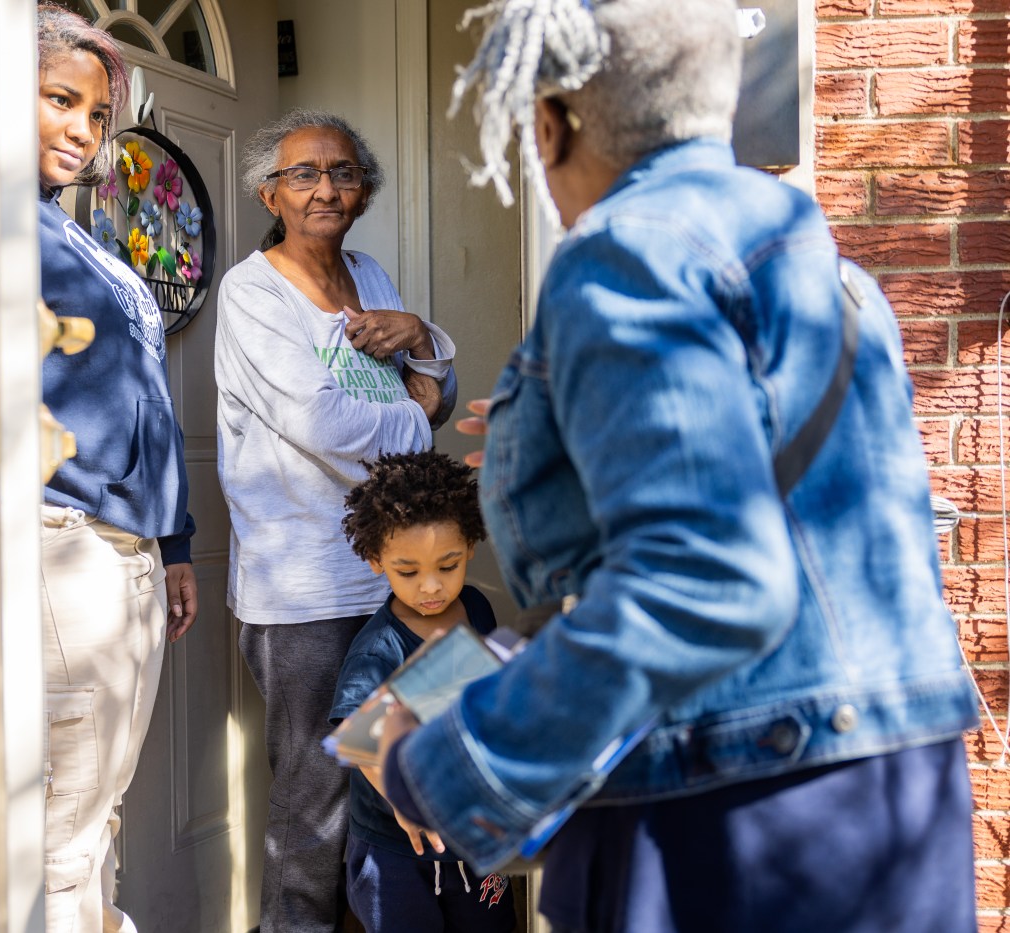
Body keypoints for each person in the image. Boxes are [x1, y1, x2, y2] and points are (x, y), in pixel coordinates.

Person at [373, 1, 982, 931]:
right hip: (899, 791)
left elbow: (705, 574)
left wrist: (463, 756)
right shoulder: (834, 272)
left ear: (552, 123)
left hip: (735, 811)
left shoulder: (628, 252)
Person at [213, 109, 459, 932]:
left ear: (363, 192)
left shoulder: (372, 274)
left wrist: (422, 338)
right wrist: (418, 416)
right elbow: (324, 425)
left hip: (393, 578)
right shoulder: (252, 291)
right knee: (313, 799)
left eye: (344, 173)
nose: (327, 187)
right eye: (305, 174)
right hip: (306, 587)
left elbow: (431, 390)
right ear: (269, 193)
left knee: (391, 770)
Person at [34, 6, 198, 931]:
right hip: (66, 546)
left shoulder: (77, 235)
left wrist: (174, 542)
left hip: (129, 550)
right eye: (61, 100)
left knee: (102, 819)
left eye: (96, 115)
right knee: (66, 834)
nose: (82, 131)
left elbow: (149, 400)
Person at [330, 451, 516, 933]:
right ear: (376, 561)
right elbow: (358, 736)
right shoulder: (379, 649)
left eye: (448, 565)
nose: (431, 587)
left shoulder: (475, 608)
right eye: (408, 572)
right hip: (397, 851)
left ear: (471, 547)